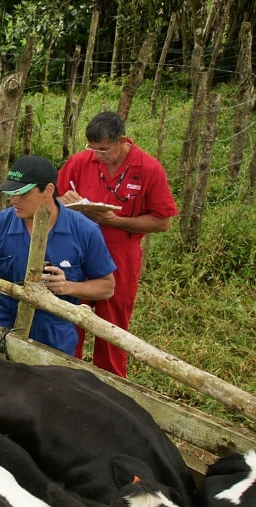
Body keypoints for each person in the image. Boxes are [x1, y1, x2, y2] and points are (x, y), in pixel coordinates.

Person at [58, 111, 178, 377]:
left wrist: (117, 221)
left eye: (104, 150)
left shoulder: (148, 168)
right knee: (70, 315)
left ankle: (111, 383)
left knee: (113, 324)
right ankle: (65, 376)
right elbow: (55, 194)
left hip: (120, 254)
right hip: (78, 251)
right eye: (93, 149)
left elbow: (162, 221)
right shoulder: (81, 161)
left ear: (122, 140)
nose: (97, 155)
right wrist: (64, 200)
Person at [0, 155, 116, 356]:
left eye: (23, 194)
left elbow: (107, 287)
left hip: (55, 332)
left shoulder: (85, 230)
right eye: (11, 194)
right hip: (4, 324)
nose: (14, 200)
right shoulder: (0, 223)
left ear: (48, 190)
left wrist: (68, 287)